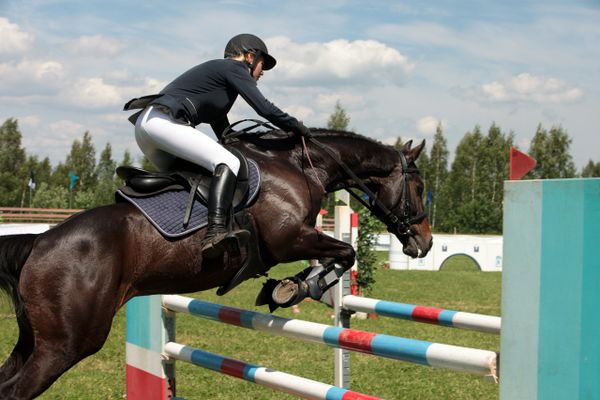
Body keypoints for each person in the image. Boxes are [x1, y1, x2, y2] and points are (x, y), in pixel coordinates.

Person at [126, 33, 311, 258]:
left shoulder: (220, 84)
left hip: (149, 126)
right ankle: (215, 232)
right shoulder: (234, 69)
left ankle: (177, 231)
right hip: (162, 122)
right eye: (263, 64)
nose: (262, 72)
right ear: (250, 57)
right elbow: (264, 108)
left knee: (194, 176)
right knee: (227, 161)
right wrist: (295, 126)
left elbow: (225, 133)